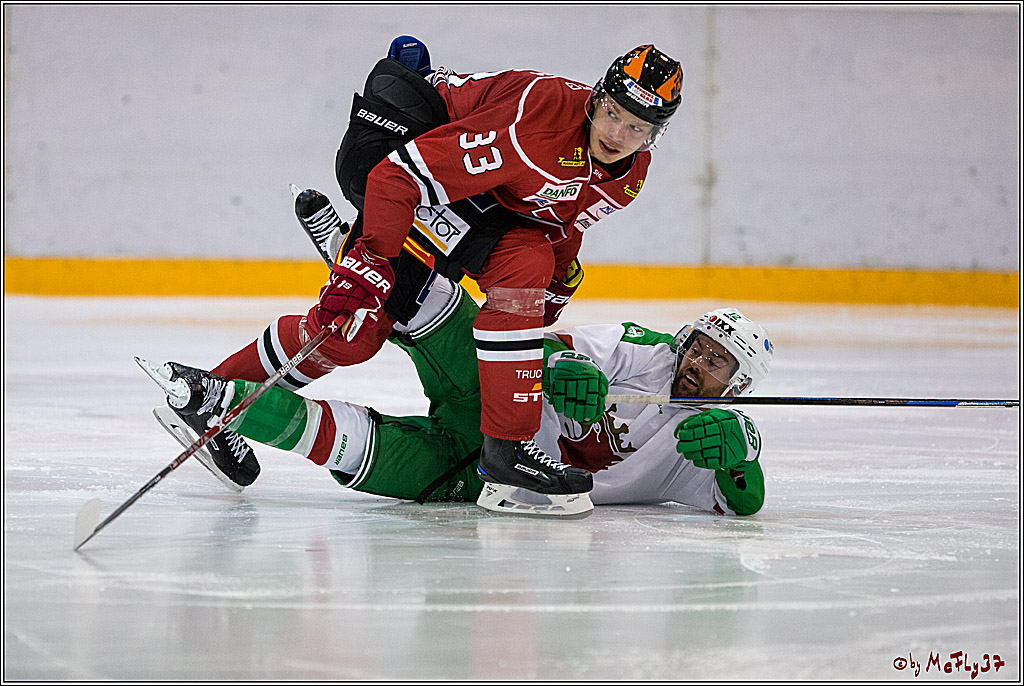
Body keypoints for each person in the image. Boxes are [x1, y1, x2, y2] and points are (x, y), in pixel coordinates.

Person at [191, 37, 686, 510]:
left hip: (473, 201)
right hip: (393, 151)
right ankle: (215, 394)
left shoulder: (629, 176)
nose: (617, 135)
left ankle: (506, 447)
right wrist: (369, 263)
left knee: (527, 262)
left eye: (637, 128)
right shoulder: (536, 126)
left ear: (655, 136)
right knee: (355, 331)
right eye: (613, 114)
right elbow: (397, 176)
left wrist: (551, 286)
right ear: (596, 99)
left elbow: (555, 222)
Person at [142, 277, 773, 518]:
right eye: (700, 347)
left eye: (718, 362)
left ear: (738, 385)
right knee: (443, 316)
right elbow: (548, 345)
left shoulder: (709, 443)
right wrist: (564, 367)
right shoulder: (647, 349)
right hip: (500, 402)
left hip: (481, 476)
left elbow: (743, 501)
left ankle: (217, 400)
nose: (698, 363)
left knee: (349, 446)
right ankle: (383, 262)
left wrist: (743, 457)